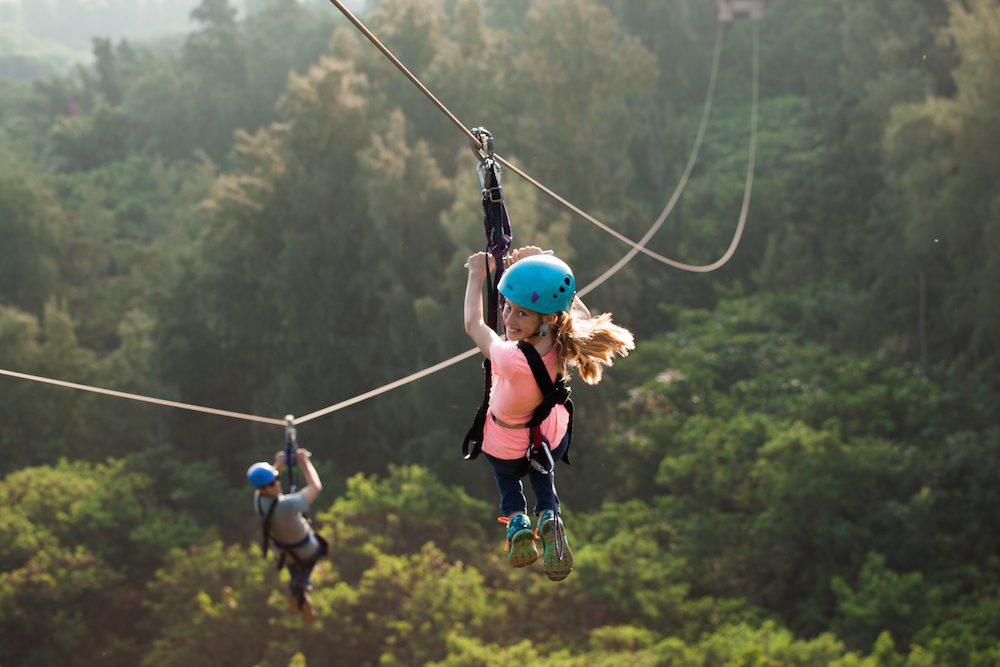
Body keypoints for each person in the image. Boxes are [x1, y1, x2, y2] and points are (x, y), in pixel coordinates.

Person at [464, 246, 634, 580]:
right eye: (508, 308)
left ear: (546, 318)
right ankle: (549, 516)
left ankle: (516, 521)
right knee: (542, 466)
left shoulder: (509, 358)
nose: (510, 320)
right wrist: (539, 267)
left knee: (506, 473)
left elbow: (474, 324)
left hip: (505, 442)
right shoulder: (564, 340)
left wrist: (475, 275)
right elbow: (576, 311)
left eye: (521, 314)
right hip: (545, 437)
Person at [246, 448, 326, 624]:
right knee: (315, 554)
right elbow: (316, 487)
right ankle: (302, 590)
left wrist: (279, 464)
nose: (278, 484)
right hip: (307, 549)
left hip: (284, 553)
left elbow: (269, 480)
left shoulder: (258, 501)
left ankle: (296, 593)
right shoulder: (287, 505)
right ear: (264, 488)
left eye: (277, 479)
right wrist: (305, 462)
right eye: (273, 483)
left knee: (295, 569)